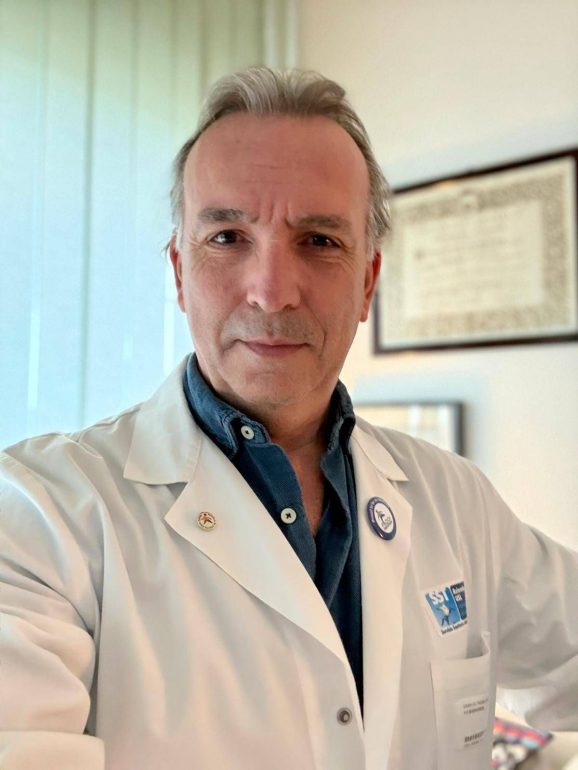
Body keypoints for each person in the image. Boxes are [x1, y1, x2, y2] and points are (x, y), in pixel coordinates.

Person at [0, 67, 576, 770]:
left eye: (320, 241)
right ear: (179, 272)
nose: (271, 292)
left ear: (367, 282)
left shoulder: (457, 503)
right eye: (226, 237)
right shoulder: (39, 515)